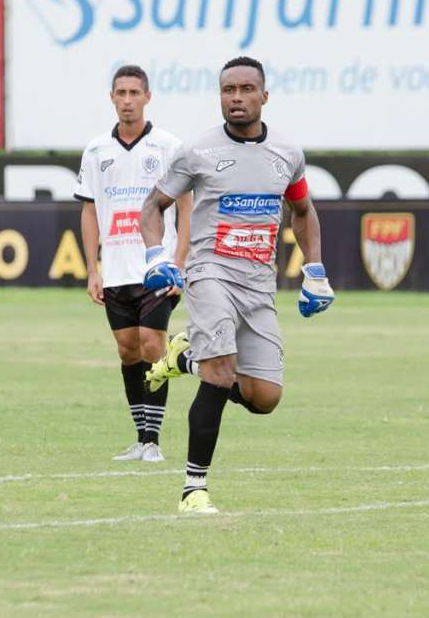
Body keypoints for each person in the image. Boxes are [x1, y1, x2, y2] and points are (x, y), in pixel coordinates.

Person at [139, 56, 335, 514]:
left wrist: (316, 270)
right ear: (220, 96)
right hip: (210, 274)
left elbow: (303, 212)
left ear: (264, 97)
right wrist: (156, 256)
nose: (237, 98)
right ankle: (193, 489)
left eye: (247, 89)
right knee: (222, 371)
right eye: (229, 90)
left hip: (258, 285)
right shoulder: (197, 152)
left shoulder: (287, 153)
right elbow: (154, 206)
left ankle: (185, 358)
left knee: (265, 398)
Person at [74, 65, 192, 463]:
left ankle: (154, 441)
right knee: (127, 350)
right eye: (120, 93)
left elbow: (187, 207)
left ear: (147, 97)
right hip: (117, 268)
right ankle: (140, 439)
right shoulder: (96, 151)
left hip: (156, 266)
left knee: (152, 343)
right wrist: (93, 268)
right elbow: (90, 211)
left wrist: (179, 263)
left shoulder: (169, 147)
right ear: (111, 98)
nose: (127, 100)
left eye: (134, 93)